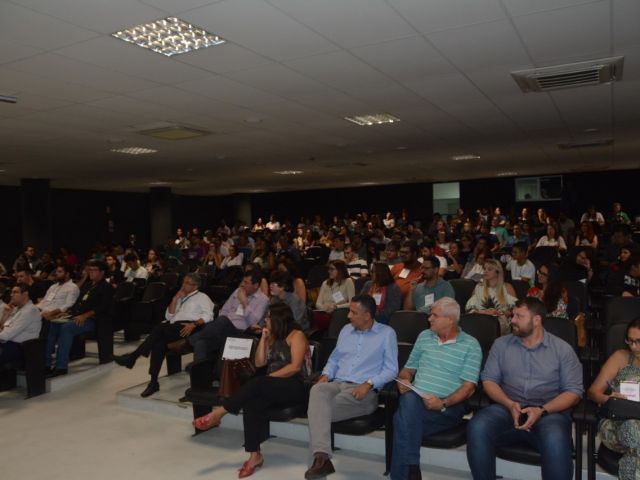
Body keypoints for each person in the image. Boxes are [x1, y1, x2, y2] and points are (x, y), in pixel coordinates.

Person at [466, 297, 583, 480]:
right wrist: (509, 403)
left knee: (555, 439)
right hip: (508, 408)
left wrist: (542, 410)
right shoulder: (501, 345)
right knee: (477, 426)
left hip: (548, 413)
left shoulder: (562, 350)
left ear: (536, 320)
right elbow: (488, 380)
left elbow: (574, 392)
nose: (512, 320)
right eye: (513, 315)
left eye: (519, 316)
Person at [191, 303, 311, 478]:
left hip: (296, 386)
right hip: (273, 386)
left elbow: (295, 367)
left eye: (268, 317)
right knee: (251, 401)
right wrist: (263, 338)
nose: (265, 320)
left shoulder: (296, 335)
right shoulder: (272, 336)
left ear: (278, 319)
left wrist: (268, 379)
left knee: (257, 383)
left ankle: (219, 413)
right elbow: (260, 363)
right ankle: (255, 455)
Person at [304, 294, 398, 479]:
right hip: (337, 383)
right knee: (317, 390)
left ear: (367, 315)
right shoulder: (346, 330)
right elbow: (335, 359)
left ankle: (320, 460)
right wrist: (326, 374)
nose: (348, 316)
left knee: (316, 412)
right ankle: (322, 457)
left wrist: (369, 383)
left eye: (353, 312)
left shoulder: (387, 333)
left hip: (363, 391)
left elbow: (391, 370)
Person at [390, 297, 482, 480]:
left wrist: (443, 403)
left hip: (447, 408)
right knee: (408, 401)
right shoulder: (424, 336)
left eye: (434, 315)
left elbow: (469, 388)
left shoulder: (471, 345)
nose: (429, 319)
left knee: (400, 420)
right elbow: (407, 369)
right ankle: (411, 467)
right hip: (416, 401)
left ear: (450, 319)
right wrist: (405, 380)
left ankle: (408, 470)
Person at [113, 273, 214, 396]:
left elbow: (209, 315)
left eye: (187, 283)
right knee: (158, 344)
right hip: (173, 327)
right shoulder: (181, 296)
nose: (183, 285)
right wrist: (175, 299)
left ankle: (133, 357)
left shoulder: (202, 297)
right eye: (183, 282)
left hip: (190, 328)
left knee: (159, 328)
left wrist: (194, 324)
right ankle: (153, 382)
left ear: (195, 286)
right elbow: (168, 316)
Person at [587, 317, 640, 479]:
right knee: (633, 428)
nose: (634, 347)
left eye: (639, 341)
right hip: (616, 423)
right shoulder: (621, 357)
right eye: (630, 341)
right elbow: (593, 392)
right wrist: (610, 399)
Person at [46, 260, 113, 377]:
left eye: (94, 270)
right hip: (78, 316)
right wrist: (68, 313)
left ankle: (61, 366)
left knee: (67, 328)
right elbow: (78, 304)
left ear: (102, 272)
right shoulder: (87, 285)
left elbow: (102, 307)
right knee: (54, 324)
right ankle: (46, 364)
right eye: (90, 270)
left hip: (95, 320)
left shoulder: (106, 287)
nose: (91, 272)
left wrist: (85, 315)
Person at [187, 270, 269, 362]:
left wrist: (244, 303)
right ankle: (198, 370)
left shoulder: (263, 299)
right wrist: (218, 327)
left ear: (256, 285)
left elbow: (253, 322)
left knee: (222, 321)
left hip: (241, 331)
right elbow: (224, 310)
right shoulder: (238, 291)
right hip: (224, 328)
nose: (242, 284)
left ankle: (188, 342)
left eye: (246, 282)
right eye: (242, 281)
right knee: (200, 344)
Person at [465, 259, 517, 335]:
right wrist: (482, 312)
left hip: (500, 323)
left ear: (497, 272)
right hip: (480, 320)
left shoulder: (507, 287)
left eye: (489, 269)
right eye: (484, 269)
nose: (485, 271)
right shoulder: (478, 287)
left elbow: (514, 310)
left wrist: (499, 313)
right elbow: (469, 309)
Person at [0, 283, 42, 369]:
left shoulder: (30, 310)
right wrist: (4, 316)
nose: (11, 295)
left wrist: (4, 330)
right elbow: (4, 329)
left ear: (25, 294)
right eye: (11, 292)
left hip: (21, 349)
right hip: (9, 345)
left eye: (15, 292)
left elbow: (6, 335)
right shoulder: (16, 309)